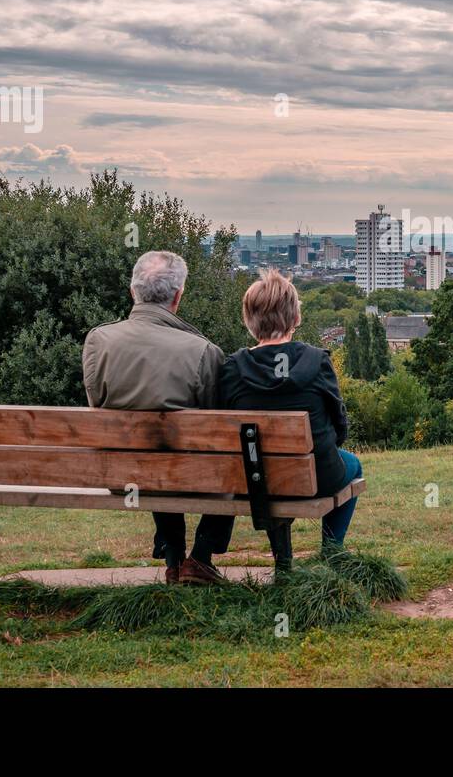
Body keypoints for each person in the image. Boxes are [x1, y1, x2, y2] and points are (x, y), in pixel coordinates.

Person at [82, 250, 233, 585]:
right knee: (224, 460)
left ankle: (173, 560)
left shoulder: (98, 341)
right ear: (178, 295)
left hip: (122, 474)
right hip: (191, 476)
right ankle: (201, 557)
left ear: (132, 291)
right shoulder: (204, 352)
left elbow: (97, 403)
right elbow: (215, 426)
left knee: (152, 455)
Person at [218, 268, 361, 551]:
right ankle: (332, 551)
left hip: (254, 479)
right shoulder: (316, 361)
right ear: (296, 318)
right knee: (353, 464)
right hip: (318, 475)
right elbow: (338, 422)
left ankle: (283, 564)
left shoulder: (233, 367)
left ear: (249, 321)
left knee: (268, 468)